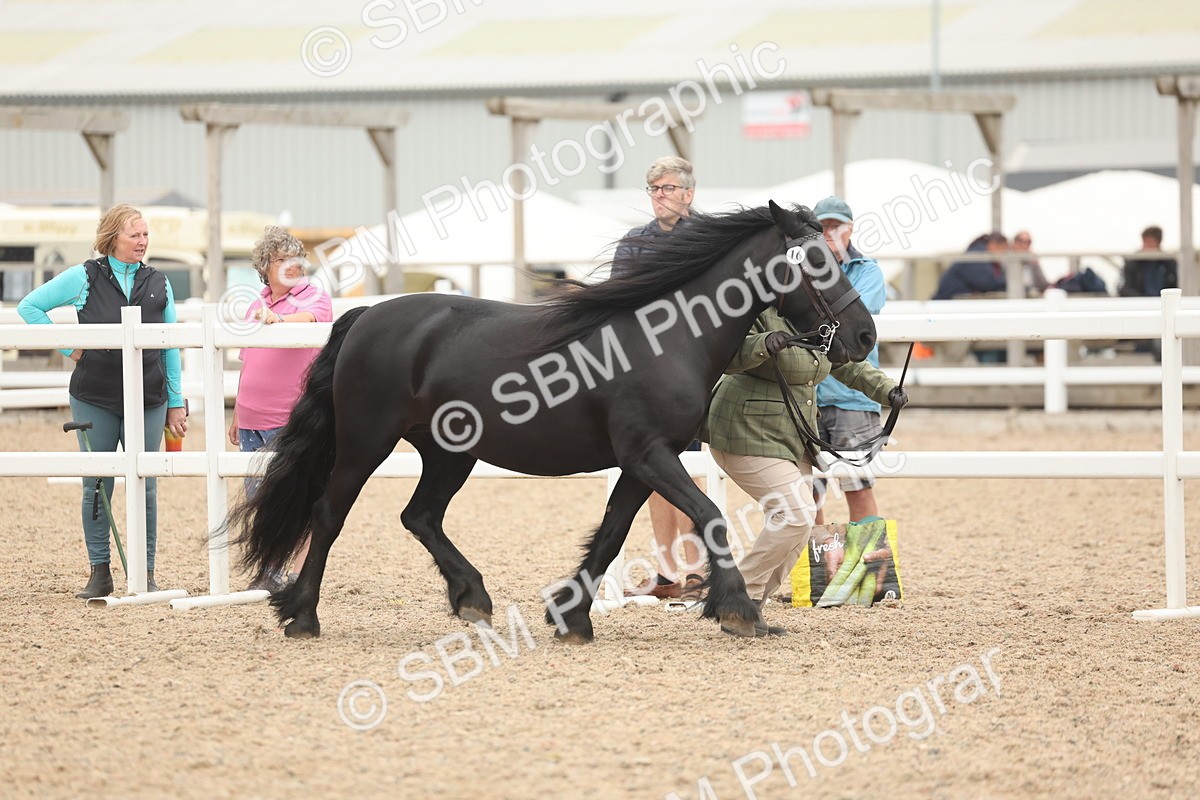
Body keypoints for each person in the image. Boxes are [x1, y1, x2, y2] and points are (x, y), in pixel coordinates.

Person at [702, 301, 906, 635]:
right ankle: (735, 599)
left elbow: (846, 365)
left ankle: (748, 609)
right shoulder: (754, 307)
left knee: (801, 522)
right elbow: (726, 356)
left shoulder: (818, 312)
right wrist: (762, 344)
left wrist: (885, 389)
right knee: (795, 514)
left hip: (791, 435)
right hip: (742, 429)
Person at [18, 204, 187, 598]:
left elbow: (170, 346)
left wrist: (176, 401)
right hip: (94, 396)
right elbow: (30, 306)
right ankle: (100, 571)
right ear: (113, 238)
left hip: (149, 396)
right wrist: (69, 348)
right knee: (96, 483)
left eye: (146, 235)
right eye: (135, 235)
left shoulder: (159, 282)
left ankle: (145, 572)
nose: (143, 242)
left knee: (144, 484)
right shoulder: (84, 276)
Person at [611, 156, 705, 602]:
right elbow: (618, 300)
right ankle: (669, 571)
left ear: (688, 193)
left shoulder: (708, 239)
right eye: (653, 189)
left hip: (689, 369)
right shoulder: (634, 242)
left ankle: (697, 569)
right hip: (643, 369)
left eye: (666, 189)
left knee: (693, 466)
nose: (659, 196)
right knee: (651, 468)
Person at [229, 226, 333, 592]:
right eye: (280, 259)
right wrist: (238, 413)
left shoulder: (314, 297)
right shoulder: (255, 304)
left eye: (295, 258)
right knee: (258, 497)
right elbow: (247, 358)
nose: (290, 265)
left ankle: (293, 572)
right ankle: (270, 568)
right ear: (265, 267)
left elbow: (309, 322)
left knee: (296, 496)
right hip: (252, 418)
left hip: (289, 417)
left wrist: (279, 321)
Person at [806, 197, 889, 536]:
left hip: (850, 394)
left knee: (858, 486)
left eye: (835, 227)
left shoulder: (868, 270)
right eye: (823, 228)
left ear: (849, 230)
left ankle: (869, 571)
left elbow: (855, 316)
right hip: (809, 393)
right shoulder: (805, 270)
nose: (829, 234)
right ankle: (812, 575)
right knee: (807, 492)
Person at [931, 232, 1008, 300]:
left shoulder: (982, 257)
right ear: (994, 245)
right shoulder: (977, 257)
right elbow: (988, 284)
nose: (1004, 254)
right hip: (945, 305)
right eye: (1003, 249)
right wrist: (1012, 282)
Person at [1120, 225, 1177, 298]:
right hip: (1140, 303)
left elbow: (1176, 285)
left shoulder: (1169, 263)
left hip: (1163, 302)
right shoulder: (1133, 263)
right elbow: (1124, 288)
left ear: (1158, 243)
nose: (1147, 246)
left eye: (1150, 242)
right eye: (1145, 242)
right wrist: (1141, 299)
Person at [1013, 230, 1049, 296]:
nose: (1024, 245)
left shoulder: (1031, 262)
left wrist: (1036, 265)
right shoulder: (1007, 261)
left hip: (1031, 299)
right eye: (1021, 242)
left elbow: (1044, 285)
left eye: (1028, 242)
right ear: (1015, 243)